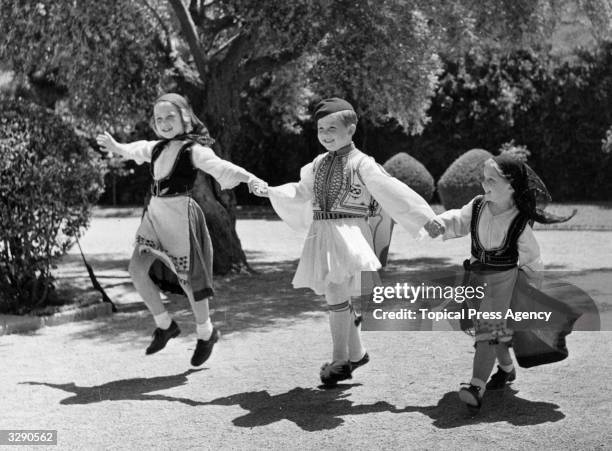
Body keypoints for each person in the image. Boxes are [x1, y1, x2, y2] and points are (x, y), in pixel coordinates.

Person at [251, 97, 442, 386]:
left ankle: (340, 360)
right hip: (322, 234)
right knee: (337, 292)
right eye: (320, 128)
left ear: (351, 130)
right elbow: (301, 192)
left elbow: (392, 190)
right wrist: (271, 192)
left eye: (332, 128)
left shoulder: (363, 163)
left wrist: (425, 217)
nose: (325, 134)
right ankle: (357, 352)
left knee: (335, 289)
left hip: (349, 234)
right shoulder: (315, 165)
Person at [96, 93, 263, 366]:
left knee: (190, 282)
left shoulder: (194, 150)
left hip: (180, 217)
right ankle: (165, 325)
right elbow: (137, 149)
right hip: (155, 215)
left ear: (185, 118)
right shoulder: (157, 148)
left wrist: (250, 178)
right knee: (137, 270)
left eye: (170, 117)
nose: (164, 122)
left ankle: (206, 332)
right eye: (159, 118)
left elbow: (221, 167)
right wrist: (116, 146)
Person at [428, 154, 578, 412]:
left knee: (489, 332)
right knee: (487, 333)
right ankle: (507, 369)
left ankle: (476, 386)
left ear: (511, 186)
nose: (484, 184)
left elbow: (532, 259)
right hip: (476, 279)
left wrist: (527, 292)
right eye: (483, 178)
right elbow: (458, 220)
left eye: (491, 180)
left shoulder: (519, 221)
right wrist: (440, 224)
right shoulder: (477, 206)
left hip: (504, 284)